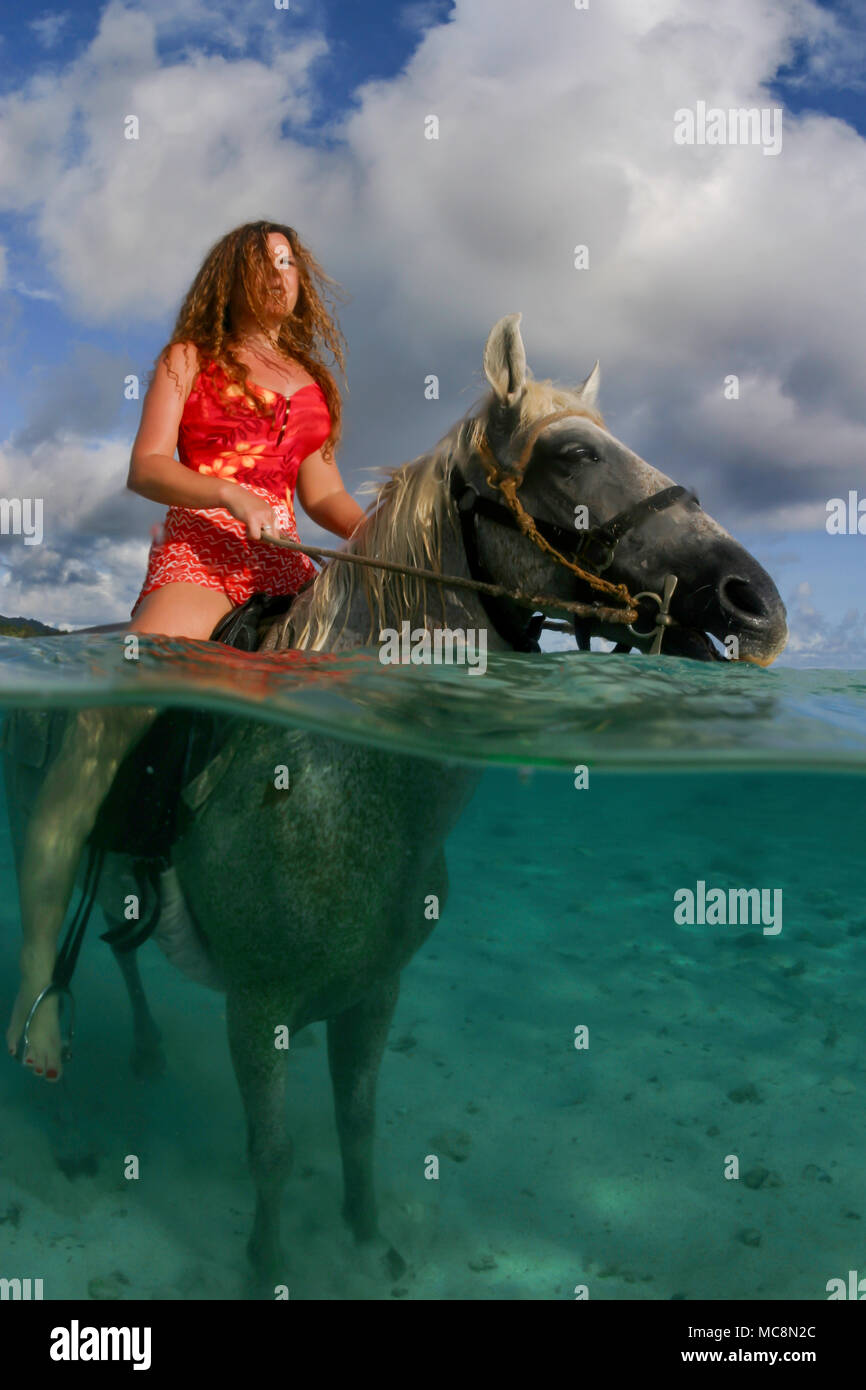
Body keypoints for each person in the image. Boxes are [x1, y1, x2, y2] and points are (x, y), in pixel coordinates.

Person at [5, 220, 365, 1081]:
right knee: (92, 745)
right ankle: (36, 986)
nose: (278, 275)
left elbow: (324, 494)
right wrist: (225, 494)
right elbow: (145, 467)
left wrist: (387, 533)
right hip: (199, 559)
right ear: (230, 274)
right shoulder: (186, 358)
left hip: (289, 570)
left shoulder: (312, 384)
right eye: (262, 261)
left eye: (289, 263)